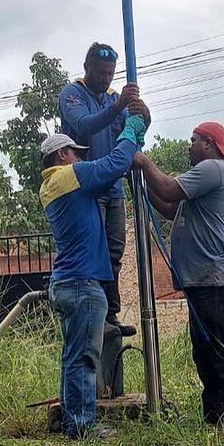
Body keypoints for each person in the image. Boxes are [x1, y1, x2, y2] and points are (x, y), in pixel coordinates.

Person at [133, 121, 224, 430]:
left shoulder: (213, 169)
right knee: (206, 349)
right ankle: (214, 411)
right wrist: (140, 182)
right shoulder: (203, 181)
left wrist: (142, 161)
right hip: (203, 279)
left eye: (192, 141)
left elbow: (167, 188)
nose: (188, 146)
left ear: (208, 143)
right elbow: (167, 206)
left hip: (217, 276)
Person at [39, 112, 146, 438]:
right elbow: (112, 165)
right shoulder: (66, 176)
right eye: (76, 152)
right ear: (62, 154)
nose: (81, 157)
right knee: (84, 359)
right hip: (82, 284)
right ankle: (82, 427)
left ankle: (73, 423)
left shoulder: (52, 186)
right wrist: (131, 130)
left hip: (69, 282)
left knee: (72, 357)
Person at [58, 43, 151, 333]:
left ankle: (110, 316)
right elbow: (84, 126)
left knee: (114, 251)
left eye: (111, 74)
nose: (106, 79)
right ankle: (95, 317)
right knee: (93, 251)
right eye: (101, 73)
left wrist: (143, 116)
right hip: (85, 186)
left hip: (113, 187)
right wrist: (119, 106)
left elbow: (132, 133)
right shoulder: (73, 94)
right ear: (87, 68)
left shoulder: (112, 98)